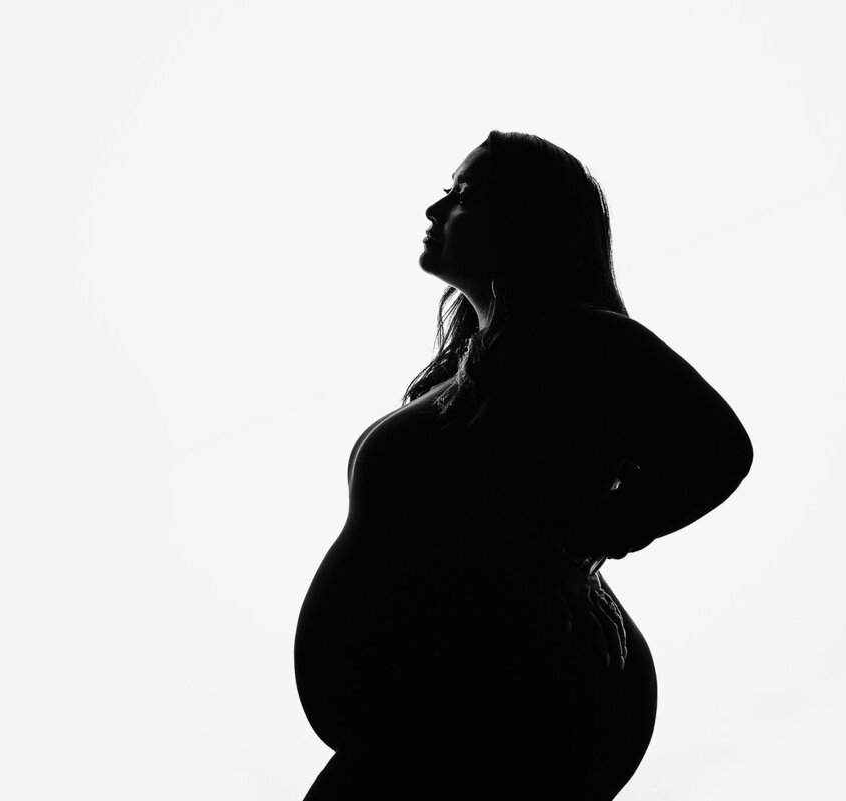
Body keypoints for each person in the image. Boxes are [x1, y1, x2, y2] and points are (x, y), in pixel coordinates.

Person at [294, 131, 753, 800]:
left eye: (463, 197)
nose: (435, 211)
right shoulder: (464, 369)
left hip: (517, 699)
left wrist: (579, 548)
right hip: (429, 713)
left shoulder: (582, 338)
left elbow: (719, 452)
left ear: (526, 221)